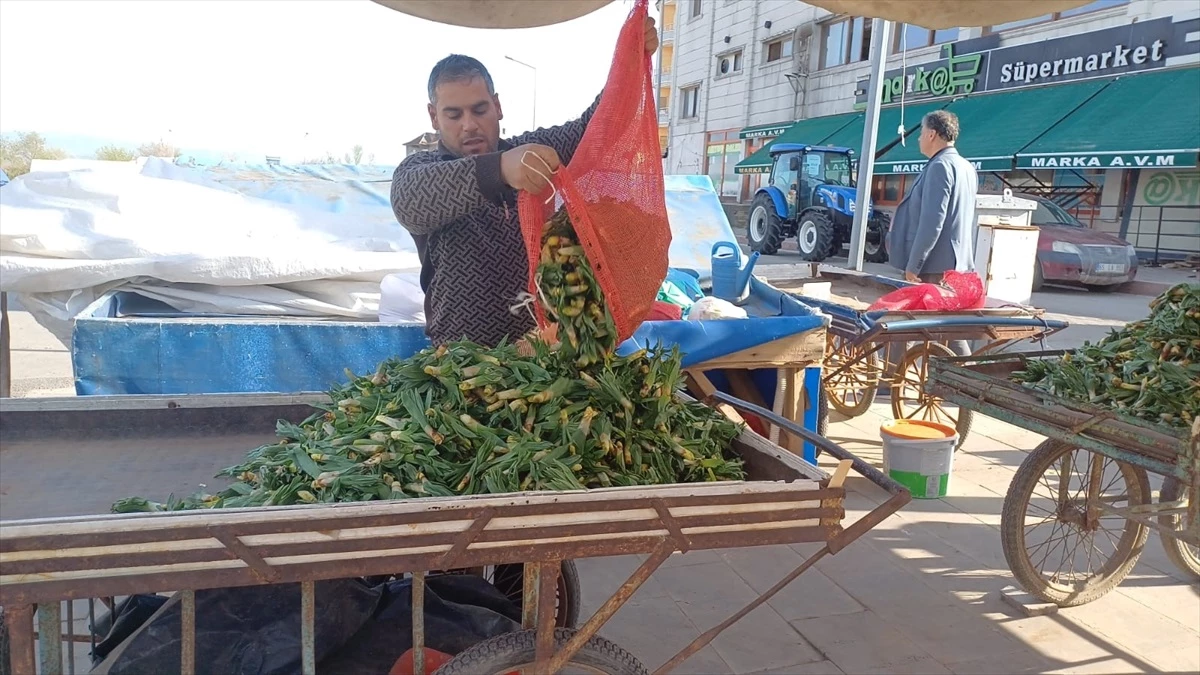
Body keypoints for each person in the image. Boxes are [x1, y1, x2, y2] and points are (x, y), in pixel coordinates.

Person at [390, 18, 659, 347]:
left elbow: (597, 128)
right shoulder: (423, 169)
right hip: (464, 365)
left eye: (479, 109)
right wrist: (501, 169)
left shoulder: (531, 152)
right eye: (454, 114)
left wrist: (629, 62)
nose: (469, 125)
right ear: (434, 116)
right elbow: (410, 200)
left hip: (543, 356)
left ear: (498, 106)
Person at [887, 110, 978, 284]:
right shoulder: (966, 167)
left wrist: (914, 266)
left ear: (931, 134)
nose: (918, 138)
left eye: (921, 132)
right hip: (957, 266)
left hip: (933, 270)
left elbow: (932, 221)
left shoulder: (940, 166)